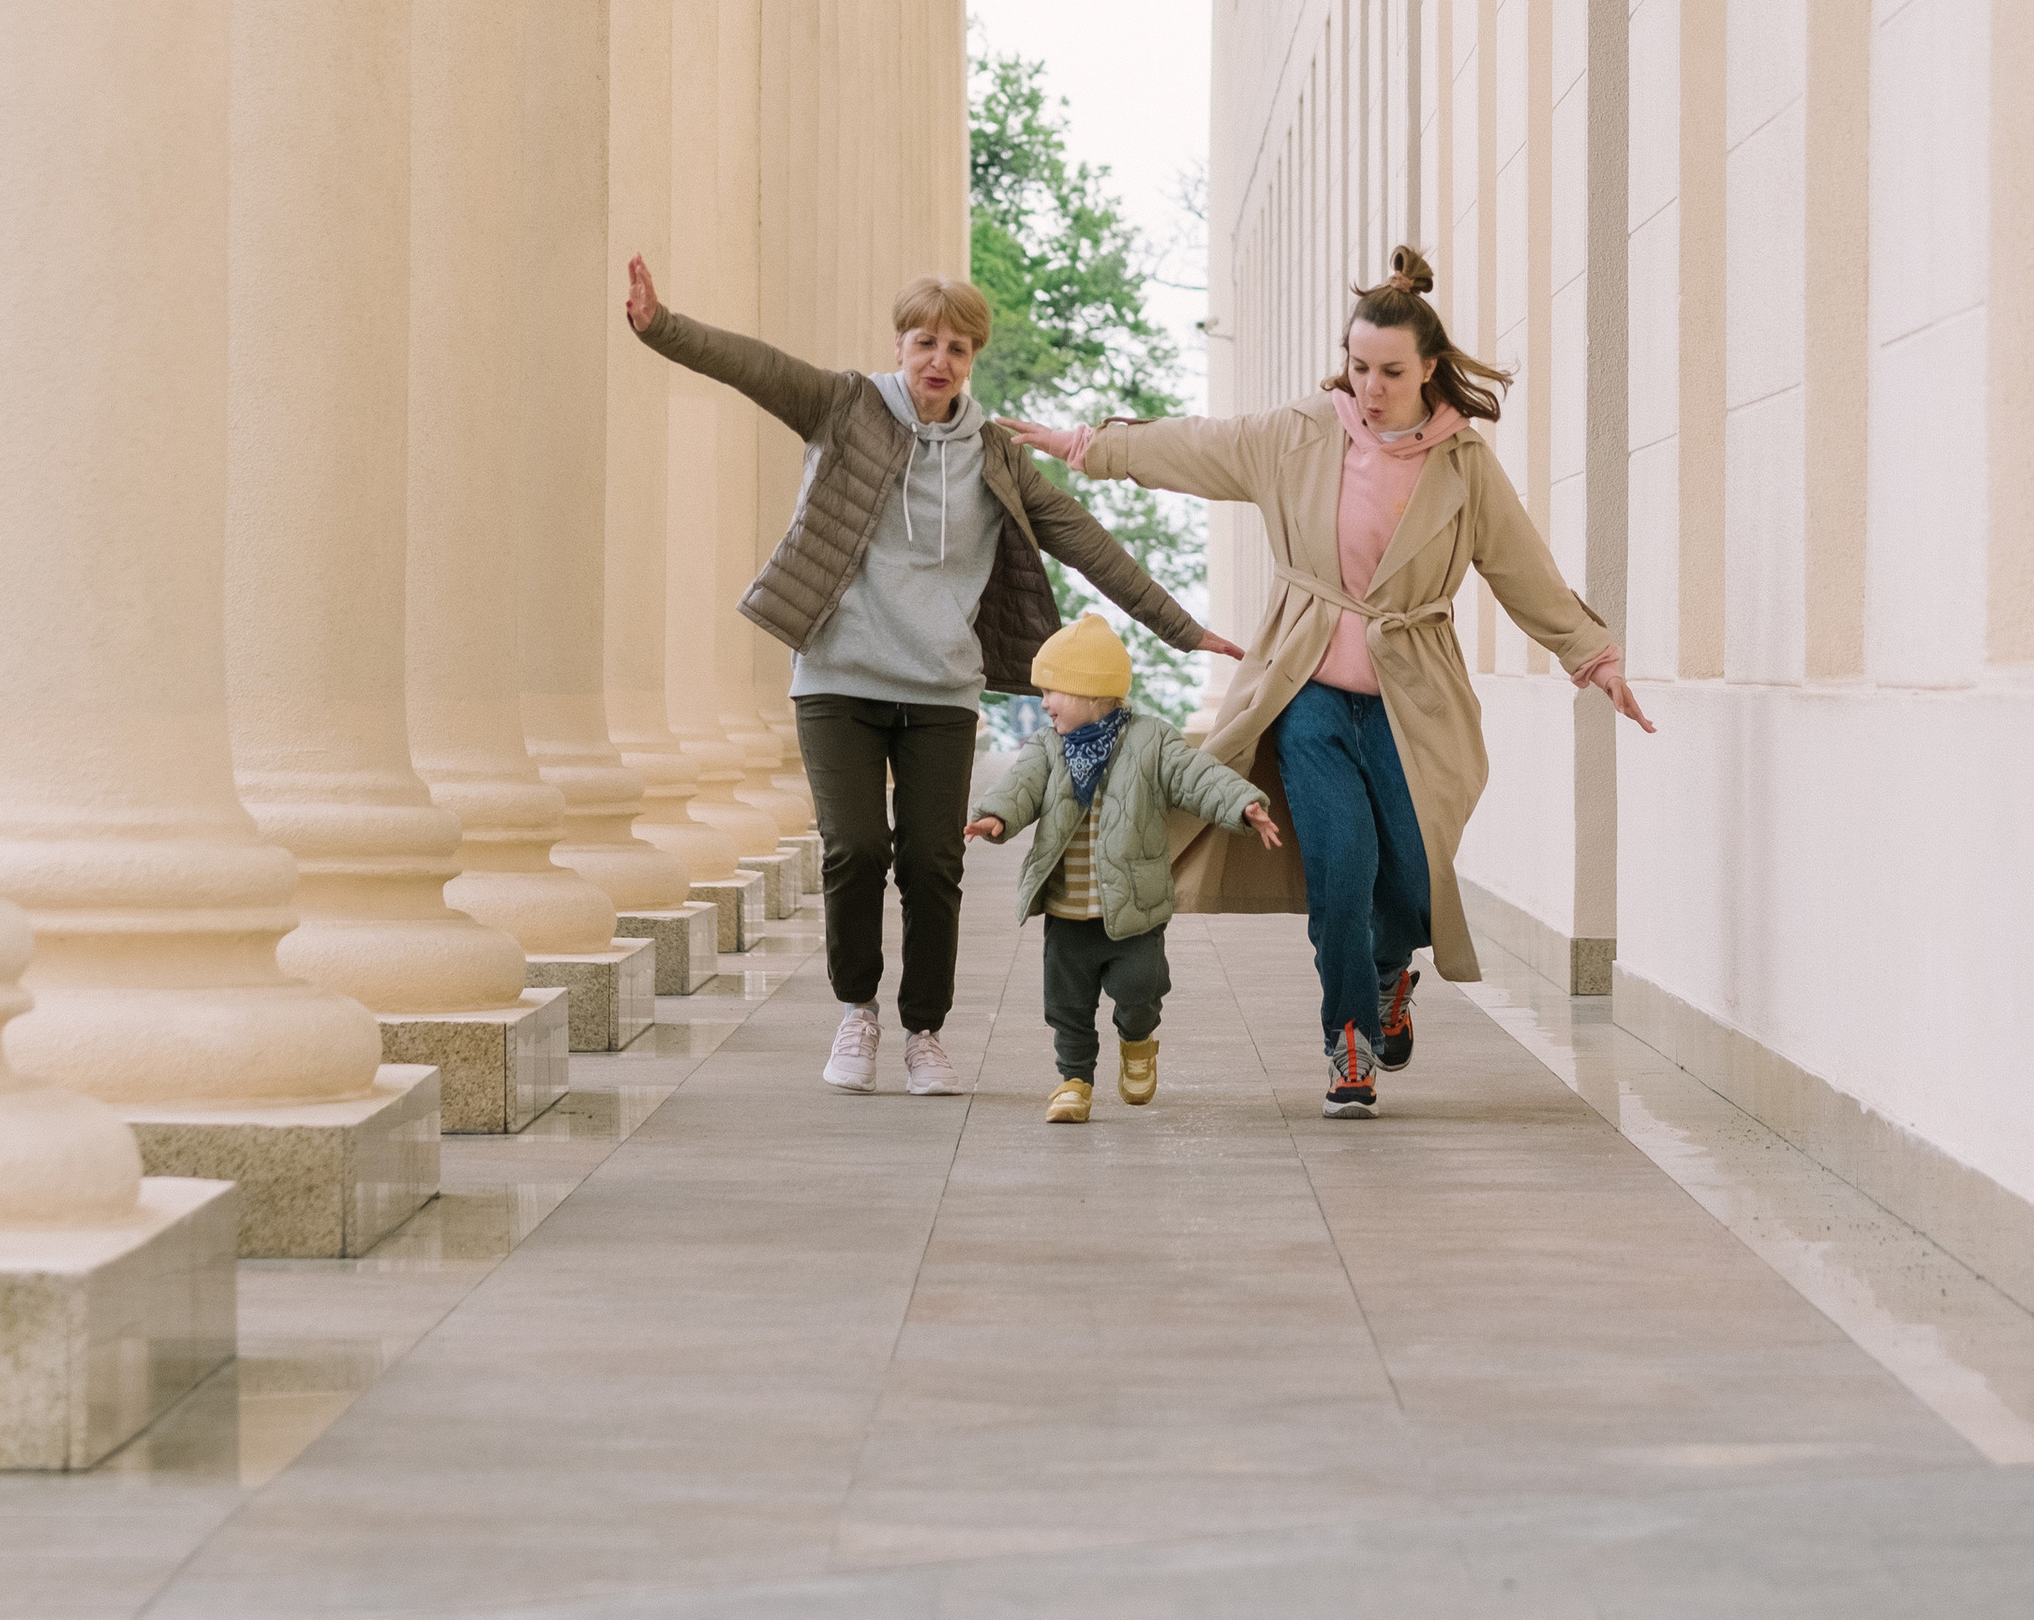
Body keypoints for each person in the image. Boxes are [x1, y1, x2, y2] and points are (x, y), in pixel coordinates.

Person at [1002, 244, 1653, 1120]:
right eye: (1358, 367)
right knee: (1341, 865)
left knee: (1413, 872)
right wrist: (1088, 445)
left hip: (1415, 701)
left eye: (1390, 371)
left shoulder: (1462, 466)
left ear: (1429, 369)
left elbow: (1522, 568)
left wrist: (1593, 657)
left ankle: (1390, 978)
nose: (1371, 387)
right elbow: (1197, 447)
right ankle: (1348, 1038)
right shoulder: (1301, 434)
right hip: (1306, 691)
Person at [623, 256, 1239, 1098]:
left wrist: (1182, 628)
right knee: (855, 847)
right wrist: (663, 326)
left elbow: (1088, 541)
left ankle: (922, 1031)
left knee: (930, 864)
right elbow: (753, 367)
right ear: (901, 345)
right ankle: (857, 1013)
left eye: (957, 346)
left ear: (973, 358)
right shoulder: (843, 408)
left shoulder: (994, 456)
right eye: (924, 342)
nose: (938, 360)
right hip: (837, 676)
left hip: (940, 689)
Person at [966, 608, 1281, 1122]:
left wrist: (1242, 802)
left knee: (1141, 989)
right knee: (1066, 1005)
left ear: (1092, 693)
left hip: (1134, 910)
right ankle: (1073, 1081)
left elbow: (1197, 775)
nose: (1043, 703)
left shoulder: (1150, 740)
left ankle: (1138, 1041)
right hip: (1068, 912)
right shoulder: (1049, 747)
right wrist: (995, 816)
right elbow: (1019, 785)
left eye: (1052, 691)